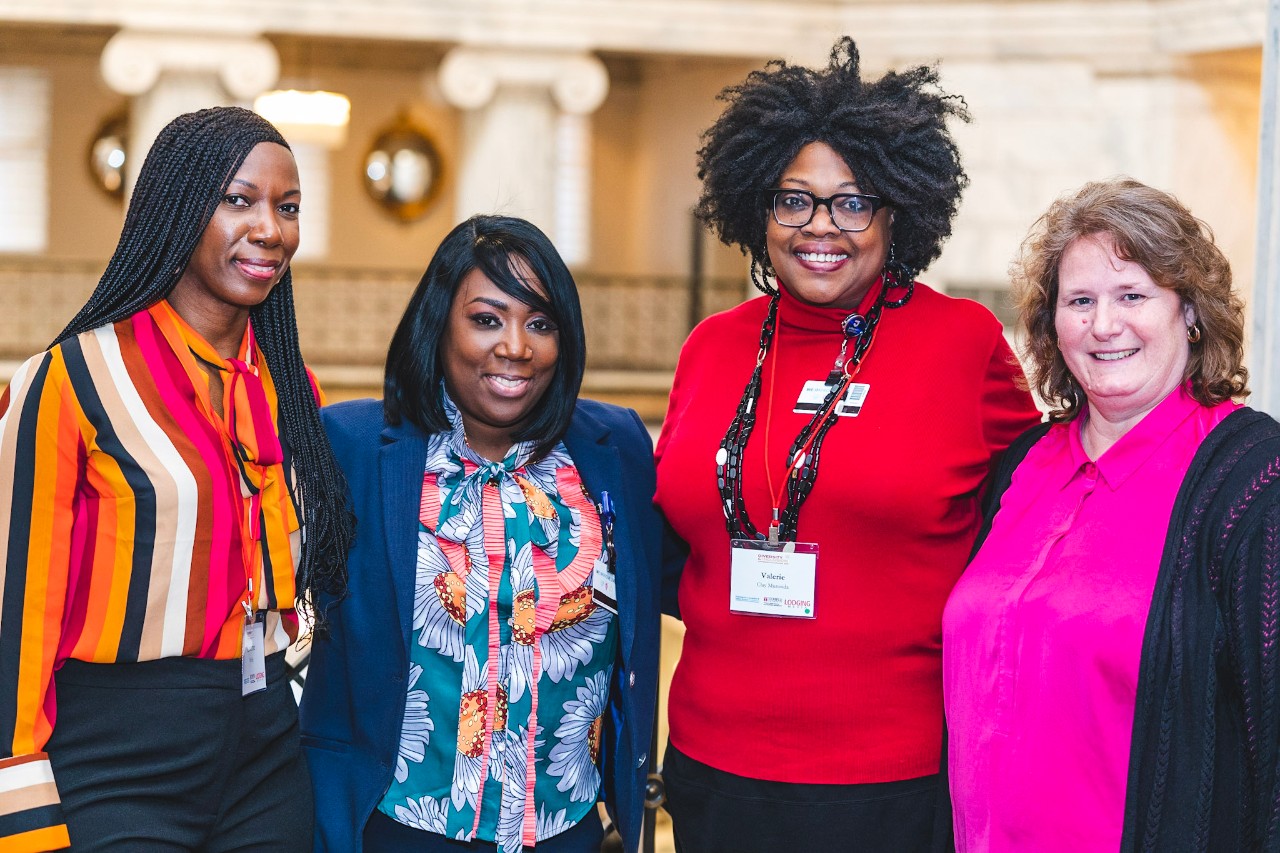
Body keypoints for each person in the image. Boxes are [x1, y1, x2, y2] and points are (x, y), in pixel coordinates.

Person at [652, 36, 1041, 852]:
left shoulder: (961, 344)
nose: (820, 227)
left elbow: (1034, 523)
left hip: (889, 782)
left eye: (852, 201)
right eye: (794, 200)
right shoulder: (711, 347)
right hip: (712, 766)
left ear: (897, 209)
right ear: (758, 208)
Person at [0, 105, 353, 851]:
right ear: (177, 207)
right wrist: (21, 808)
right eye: (239, 200)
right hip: (116, 750)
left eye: (288, 208)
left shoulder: (291, 387)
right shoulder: (68, 379)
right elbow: (15, 612)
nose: (270, 229)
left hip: (262, 742)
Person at [299, 215, 666, 853]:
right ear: (439, 326)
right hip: (394, 827)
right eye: (487, 319)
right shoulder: (355, 447)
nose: (516, 347)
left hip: (564, 831)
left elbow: (673, 590)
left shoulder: (616, 450)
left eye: (541, 323)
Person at [942, 178, 1280, 852]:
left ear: (1189, 312)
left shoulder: (1251, 478)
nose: (1104, 324)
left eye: (1133, 295)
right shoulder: (1021, 465)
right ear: (1052, 325)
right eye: (1080, 301)